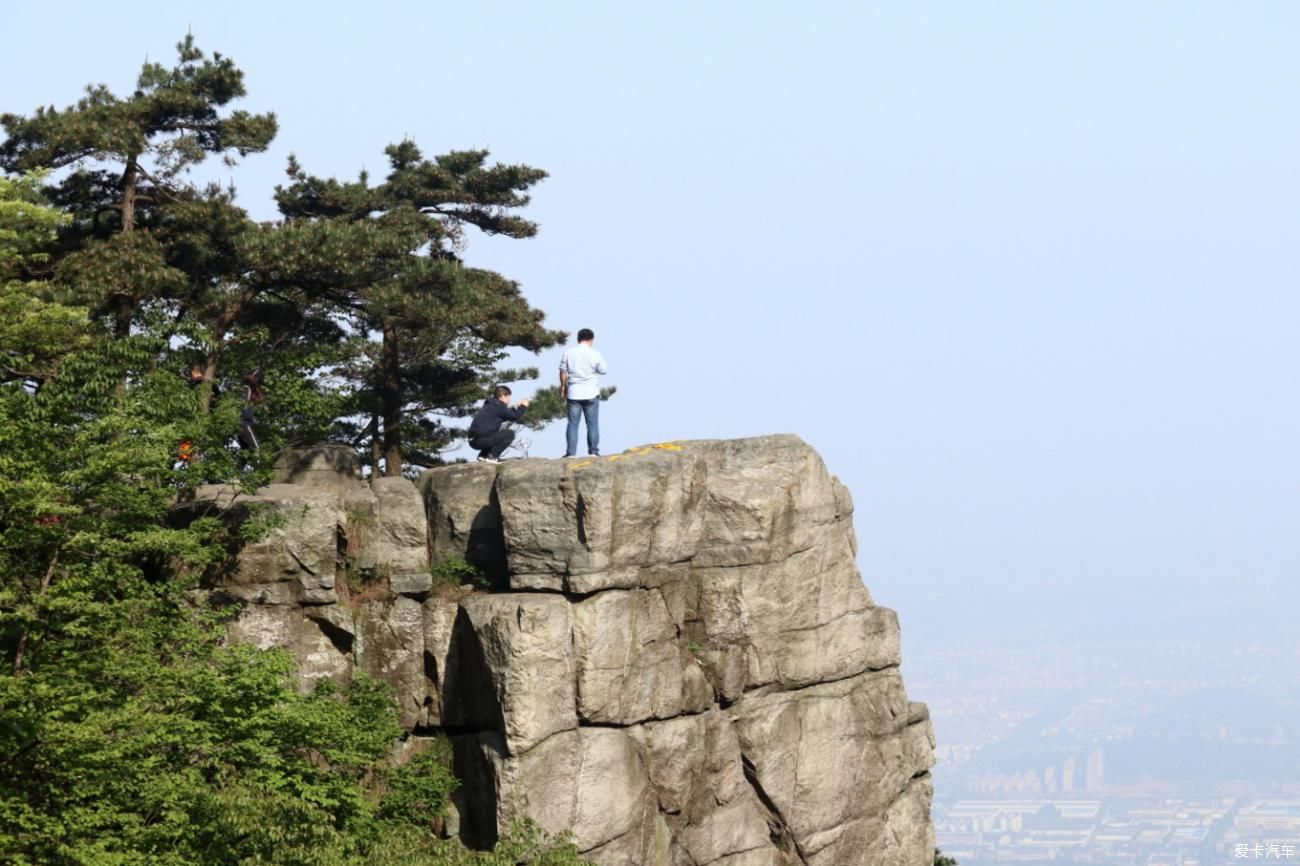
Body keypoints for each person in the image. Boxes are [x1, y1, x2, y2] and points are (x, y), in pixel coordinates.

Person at [559, 328, 608, 458]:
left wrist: (563, 386)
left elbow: (563, 372)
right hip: (591, 391)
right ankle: (593, 451)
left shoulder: (568, 352)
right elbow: (603, 370)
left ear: (578, 339)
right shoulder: (595, 353)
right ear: (591, 339)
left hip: (574, 392)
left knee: (573, 424)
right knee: (592, 424)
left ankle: (571, 453)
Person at [468, 385, 530, 463]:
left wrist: (515, 407)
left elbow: (502, 415)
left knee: (494, 433)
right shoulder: (499, 406)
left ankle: (483, 455)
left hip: (473, 440)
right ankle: (492, 456)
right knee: (509, 434)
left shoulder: (490, 404)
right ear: (502, 396)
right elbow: (514, 416)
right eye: (508, 397)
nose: (509, 399)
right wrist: (523, 406)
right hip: (481, 440)